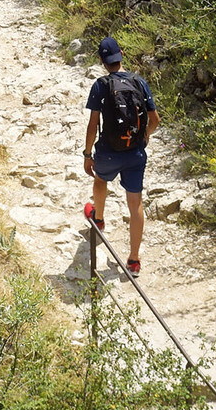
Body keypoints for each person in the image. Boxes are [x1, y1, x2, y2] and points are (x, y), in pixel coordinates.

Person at [83, 33, 160, 274]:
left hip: (108, 152)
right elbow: (155, 119)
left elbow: (93, 124)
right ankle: (134, 259)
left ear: (101, 61)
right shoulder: (139, 82)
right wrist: (144, 135)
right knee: (135, 201)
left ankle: (99, 218)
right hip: (135, 153)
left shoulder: (100, 85)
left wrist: (87, 154)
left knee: (100, 179)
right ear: (122, 55)